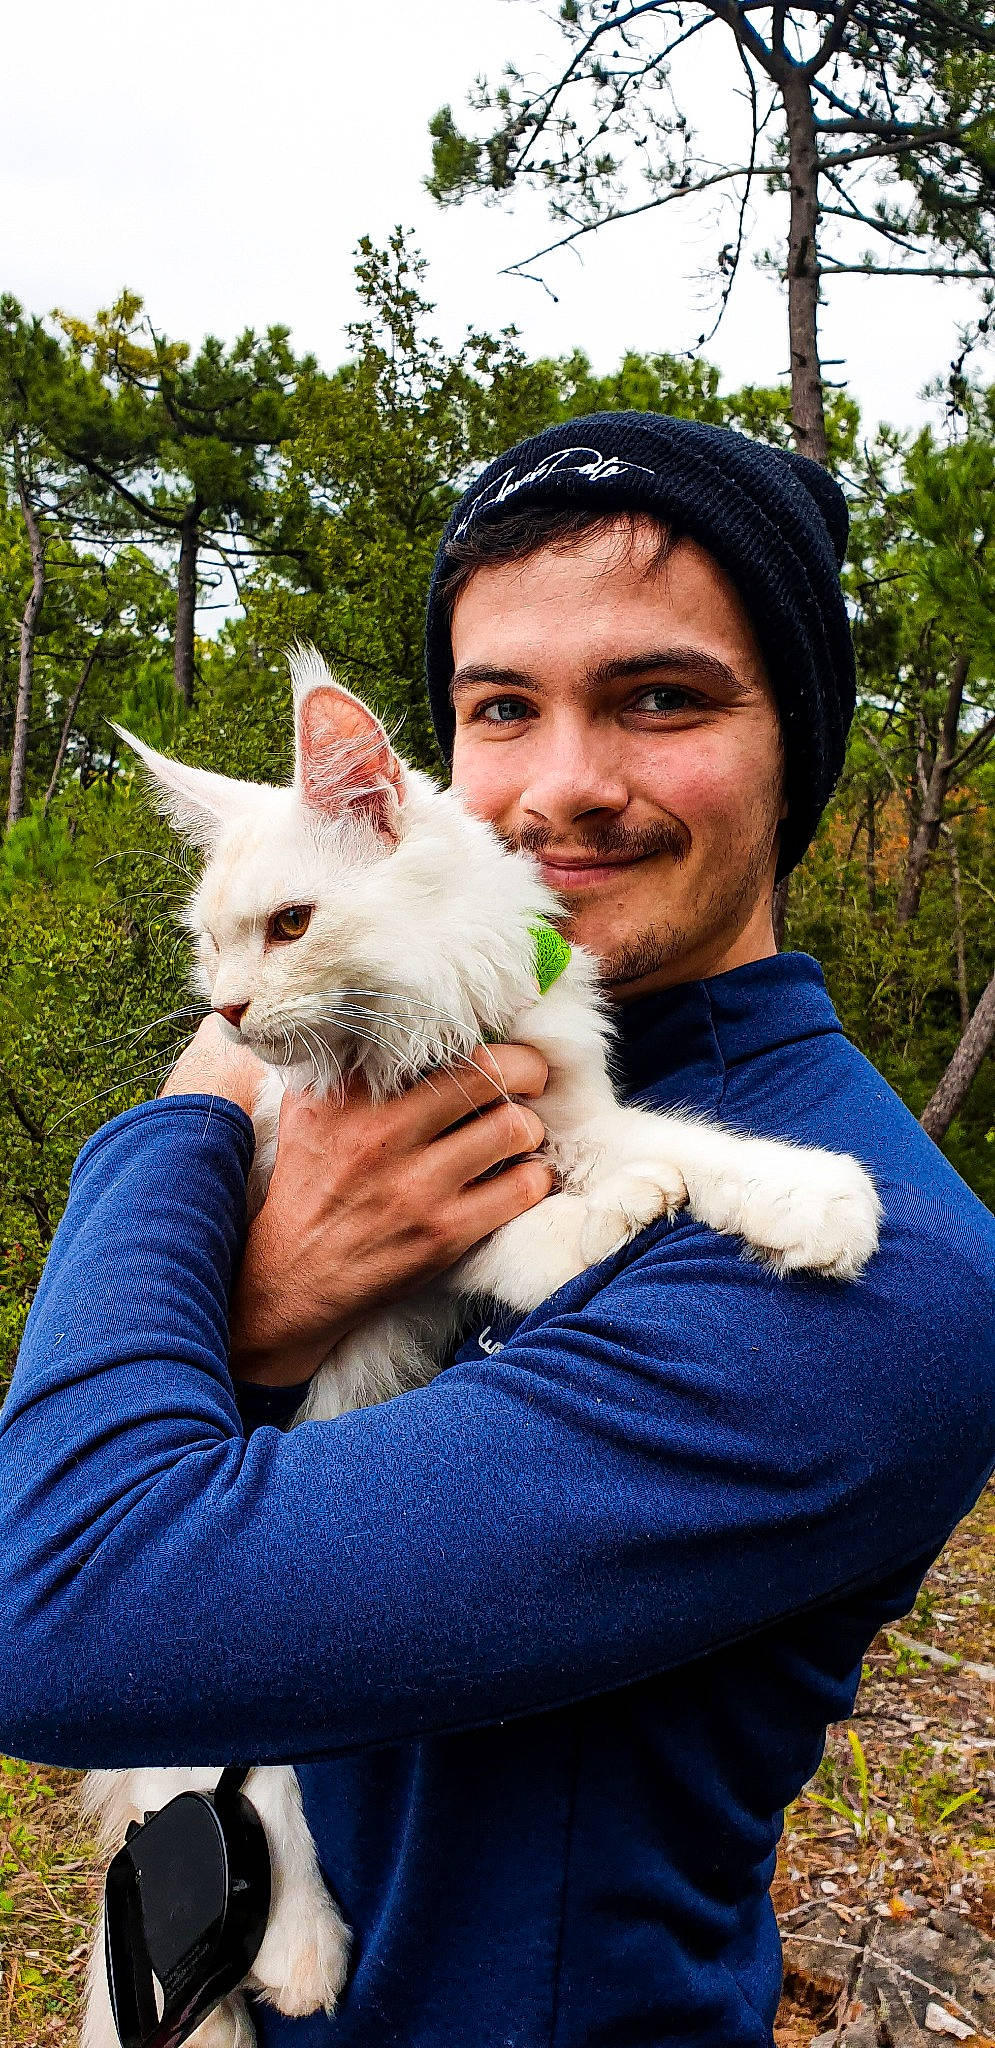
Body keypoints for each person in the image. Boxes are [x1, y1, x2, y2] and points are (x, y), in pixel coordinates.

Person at [1, 413, 994, 2048]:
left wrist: (186, 1115)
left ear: (795, 746)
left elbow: (56, 1603)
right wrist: (257, 1309)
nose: (560, 789)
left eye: (663, 697)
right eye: (499, 710)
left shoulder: (880, 1283)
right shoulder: (413, 1071)